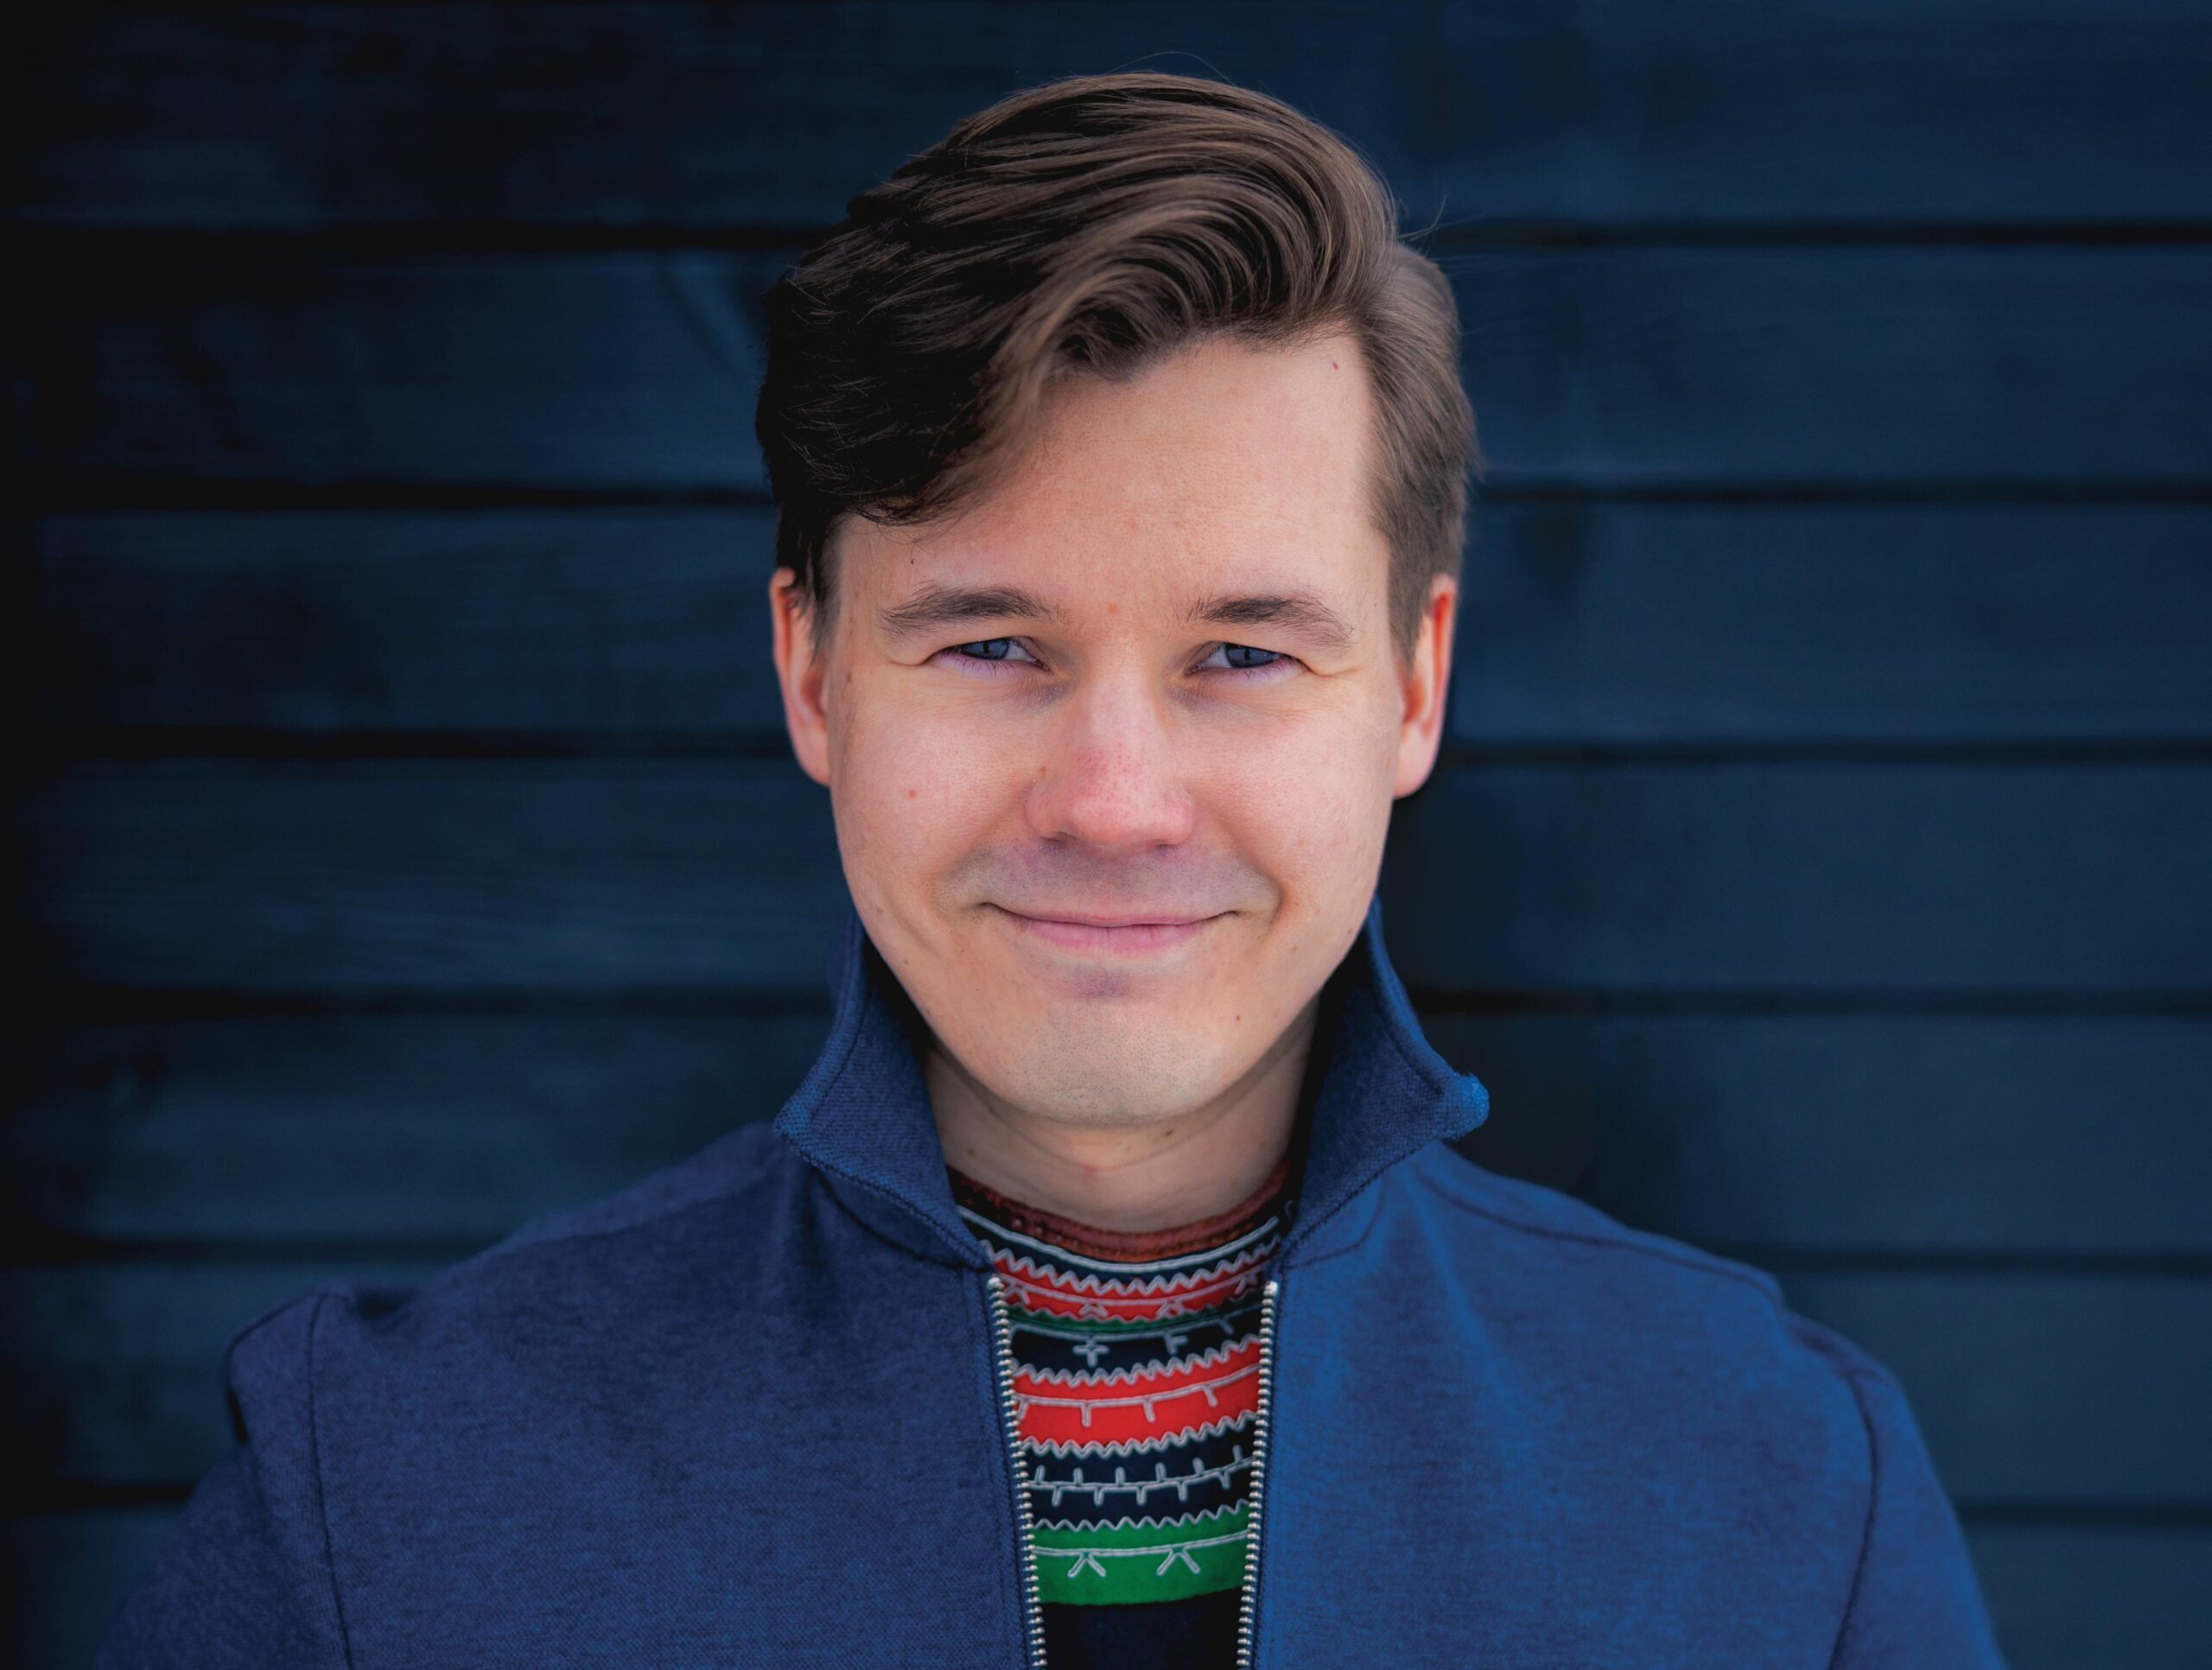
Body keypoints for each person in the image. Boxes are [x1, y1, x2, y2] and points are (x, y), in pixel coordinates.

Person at [97, 72, 2005, 1668]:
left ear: (1415, 687)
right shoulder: (376, 1495)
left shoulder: (1783, 1487)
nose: (1113, 800)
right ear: (812, 673)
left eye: (1238, 654)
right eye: (993, 643)